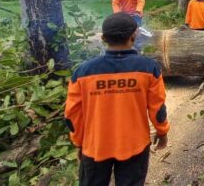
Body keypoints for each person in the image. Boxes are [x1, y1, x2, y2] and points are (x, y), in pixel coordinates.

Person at [64, 13, 169, 186]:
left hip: (95, 146)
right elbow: (158, 109)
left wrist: (78, 142)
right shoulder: (149, 68)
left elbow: (72, 114)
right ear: (134, 35)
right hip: (135, 145)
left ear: (104, 38)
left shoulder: (82, 72)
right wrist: (162, 132)